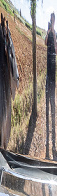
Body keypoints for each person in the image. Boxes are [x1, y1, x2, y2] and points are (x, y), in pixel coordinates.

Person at [47, 13, 56, 159]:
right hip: (48, 60)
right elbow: (44, 42)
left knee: (52, 85)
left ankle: (52, 100)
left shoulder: (55, 32)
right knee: (47, 84)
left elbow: (56, 47)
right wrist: (50, 30)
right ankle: (48, 98)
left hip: (53, 62)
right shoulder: (49, 30)